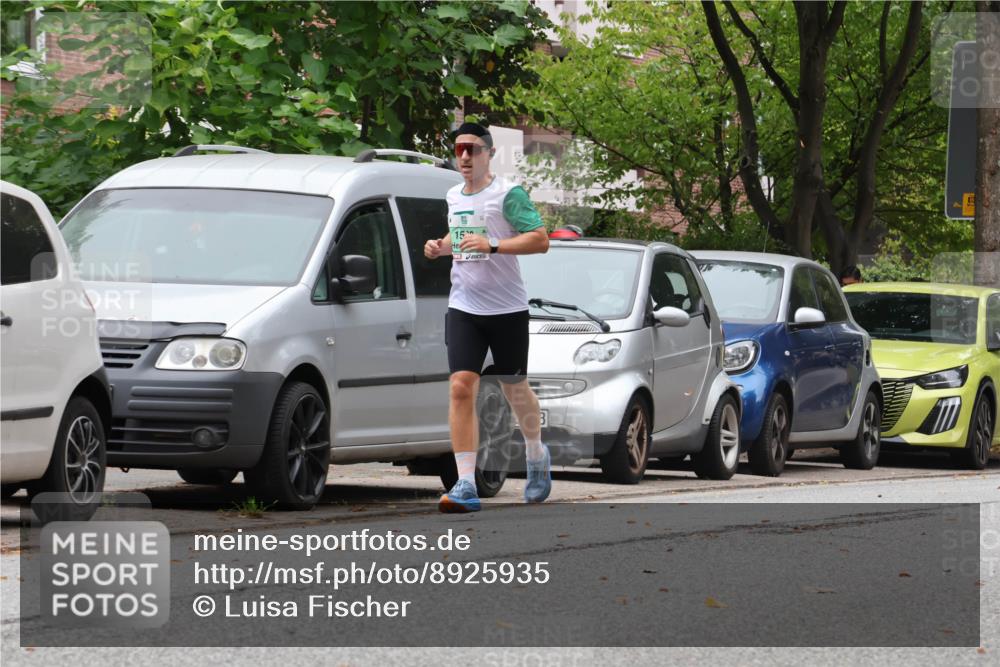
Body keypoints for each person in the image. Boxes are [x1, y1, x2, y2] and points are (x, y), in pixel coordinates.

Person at [424, 121, 551, 513]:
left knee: (515, 388)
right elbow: (460, 235)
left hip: (507, 308)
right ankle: (465, 482)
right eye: (459, 149)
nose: (464, 156)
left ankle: (535, 453)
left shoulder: (508, 194)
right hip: (464, 306)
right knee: (461, 387)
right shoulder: (453, 195)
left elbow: (540, 240)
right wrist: (440, 246)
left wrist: (494, 245)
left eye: (473, 149)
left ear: (489, 154)